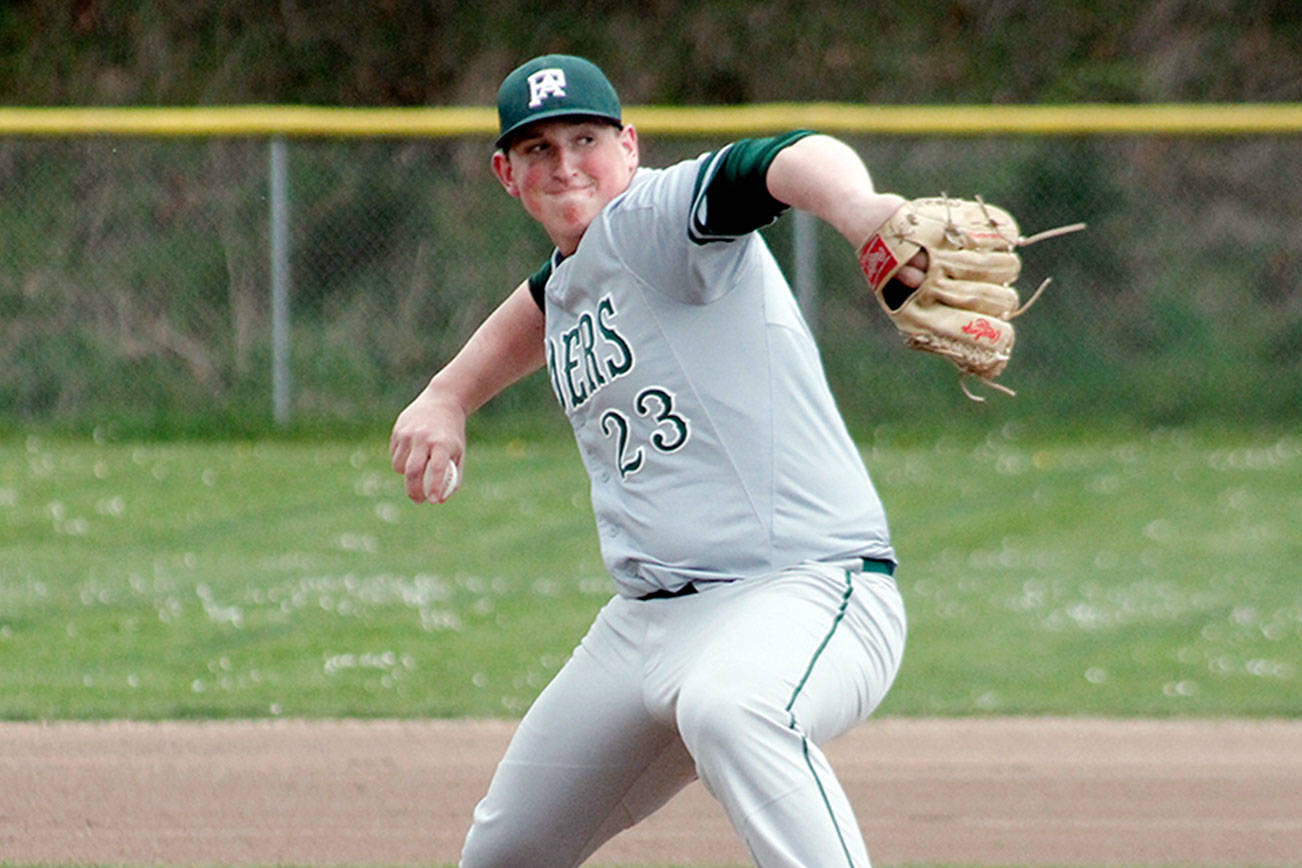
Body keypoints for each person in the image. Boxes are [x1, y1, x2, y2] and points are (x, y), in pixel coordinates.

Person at [390, 53, 924, 868]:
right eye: (538, 149)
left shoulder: (657, 216)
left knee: (734, 708)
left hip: (803, 589)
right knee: (507, 850)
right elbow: (540, 302)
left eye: (585, 138)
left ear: (629, 147)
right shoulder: (581, 272)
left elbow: (778, 161)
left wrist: (863, 211)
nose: (566, 163)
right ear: (507, 173)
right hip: (649, 623)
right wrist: (448, 396)